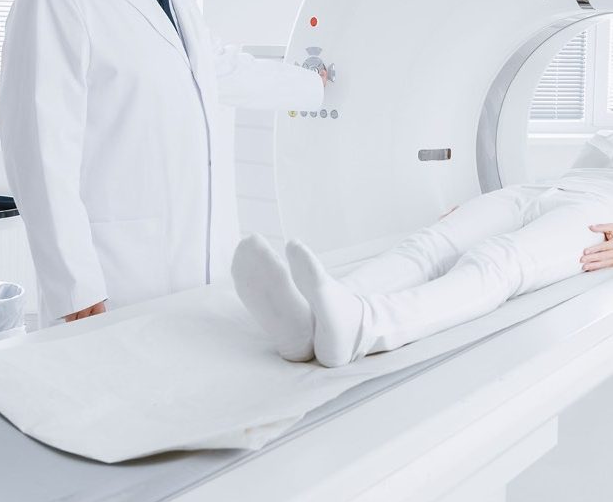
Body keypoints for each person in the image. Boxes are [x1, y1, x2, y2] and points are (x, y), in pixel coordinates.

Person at [0, 0, 324, 326]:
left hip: (199, 270)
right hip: (114, 278)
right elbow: (41, 156)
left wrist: (316, 85)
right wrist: (75, 286)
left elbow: (222, 71)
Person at [231, 131, 613, 368]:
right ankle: (309, 320)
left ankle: (364, 327)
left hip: (601, 209)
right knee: (434, 241)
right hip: (541, 188)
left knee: (499, 259)